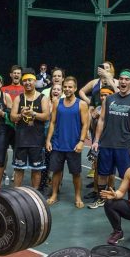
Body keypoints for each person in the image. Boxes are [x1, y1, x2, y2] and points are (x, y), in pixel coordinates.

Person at [90, 69, 130, 208]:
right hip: (106, 143)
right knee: (103, 173)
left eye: (127, 79)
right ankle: (102, 198)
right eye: (121, 79)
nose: (123, 81)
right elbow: (102, 120)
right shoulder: (109, 99)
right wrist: (96, 141)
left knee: (127, 175)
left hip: (125, 145)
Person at [45, 76, 88, 207]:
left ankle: (78, 197)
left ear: (75, 88)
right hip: (58, 144)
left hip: (73, 145)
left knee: (76, 173)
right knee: (56, 171)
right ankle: (54, 194)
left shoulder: (81, 104)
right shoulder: (57, 102)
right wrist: (48, 140)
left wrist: (81, 141)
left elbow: (85, 124)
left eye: (70, 87)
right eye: (65, 87)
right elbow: (52, 123)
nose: (67, 89)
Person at [10, 68, 50, 188]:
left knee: (36, 170)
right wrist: (20, 115)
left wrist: (34, 114)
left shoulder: (42, 98)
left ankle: (35, 194)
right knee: (18, 169)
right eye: (25, 80)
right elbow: (12, 117)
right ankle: (17, 193)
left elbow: (46, 116)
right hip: (21, 139)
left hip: (37, 140)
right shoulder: (19, 98)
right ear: (22, 82)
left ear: (35, 82)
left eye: (30, 80)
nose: (28, 83)